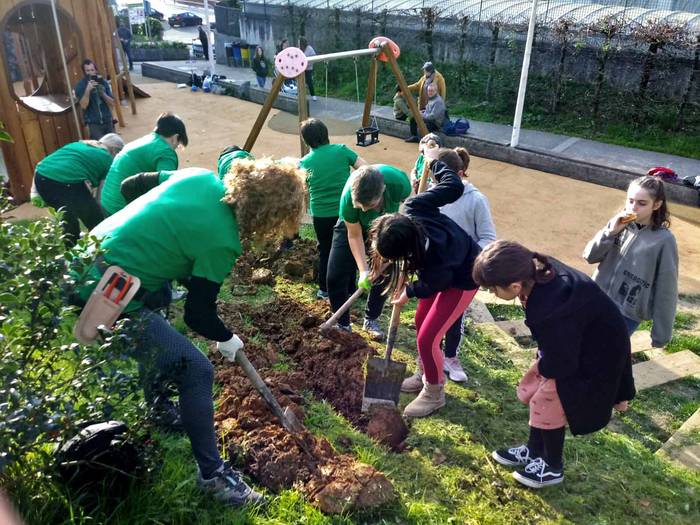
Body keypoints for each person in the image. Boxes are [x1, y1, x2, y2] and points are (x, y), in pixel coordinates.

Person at [76, 160, 307, 505]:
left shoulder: (198, 177)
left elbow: (131, 185)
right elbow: (198, 315)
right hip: (105, 294)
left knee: (161, 298)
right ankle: (213, 477)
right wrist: (227, 338)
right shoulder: (223, 241)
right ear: (269, 216)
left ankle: (156, 407)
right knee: (198, 370)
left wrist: (150, 238)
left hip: (88, 256)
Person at [473, 240, 636, 488]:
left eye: (493, 289)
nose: (492, 294)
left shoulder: (549, 305)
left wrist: (543, 369)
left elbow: (563, 362)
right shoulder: (536, 271)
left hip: (595, 353)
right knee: (540, 393)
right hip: (576, 342)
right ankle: (533, 450)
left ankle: (552, 466)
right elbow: (559, 343)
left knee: (546, 400)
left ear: (515, 285)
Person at [368, 153, 481, 417]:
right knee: (421, 321)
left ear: (408, 250)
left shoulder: (436, 258)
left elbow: (436, 282)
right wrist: (433, 162)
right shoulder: (414, 207)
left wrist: (409, 290)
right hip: (438, 271)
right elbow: (452, 186)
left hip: (463, 278)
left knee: (428, 337)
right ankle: (425, 371)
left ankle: (434, 392)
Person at [583, 175, 678, 346]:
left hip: (626, 313)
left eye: (642, 203)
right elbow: (590, 257)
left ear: (656, 205)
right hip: (596, 299)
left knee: (601, 355)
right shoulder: (619, 223)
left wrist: (661, 334)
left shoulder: (664, 241)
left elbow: (667, 289)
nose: (633, 208)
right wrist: (610, 233)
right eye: (630, 200)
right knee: (580, 346)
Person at [326, 164, 411, 340]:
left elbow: (406, 205)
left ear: (383, 191)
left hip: (383, 226)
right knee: (334, 276)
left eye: (369, 206)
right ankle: (343, 324)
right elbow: (354, 235)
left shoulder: (398, 184)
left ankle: (371, 318)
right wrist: (364, 271)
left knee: (384, 274)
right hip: (352, 227)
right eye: (360, 206)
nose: (364, 210)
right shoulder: (348, 199)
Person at [437, 147, 496, 382]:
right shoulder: (434, 195)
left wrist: (467, 261)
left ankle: (451, 357)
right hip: (436, 269)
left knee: (454, 316)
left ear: (460, 174)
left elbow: (488, 238)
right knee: (432, 316)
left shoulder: (476, 200)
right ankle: (432, 355)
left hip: (462, 272)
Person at [299, 118, 367, 300]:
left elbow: (301, 189)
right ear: (326, 134)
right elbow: (365, 169)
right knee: (350, 247)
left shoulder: (304, 162)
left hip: (320, 214)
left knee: (326, 250)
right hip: (345, 211)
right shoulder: (342, 150)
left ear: (306, 140)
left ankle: (325, 289)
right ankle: (352, 288)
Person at [33, 134, 124, 246]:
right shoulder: (108, 159)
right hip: (66, 181)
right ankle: (106, 251)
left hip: (41, 177)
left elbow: (44, 163)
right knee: (96, 222)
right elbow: (101, 198)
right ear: (114, 150)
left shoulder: (78, 144)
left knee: (68, 221)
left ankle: (72, 256)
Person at [101, 112, 187, 216]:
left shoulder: (145, 141)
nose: (175, 148)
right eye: (178, 144)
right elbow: (168, 189)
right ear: (175, 138)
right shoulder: (165, 152)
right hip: (122, 210)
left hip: (106, 203)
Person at [74, 60, 115, 140]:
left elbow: (112, 103)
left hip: (108, 121)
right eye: (87, 70)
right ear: (84, 72)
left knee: (113, 147)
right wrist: (87, 90)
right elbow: (83, 105)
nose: (90, 73)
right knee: (99, 148)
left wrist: (103, 94)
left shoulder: (103, 82)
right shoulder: (80, 85)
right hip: (93, 123)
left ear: (96, 70)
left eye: (92, 70)